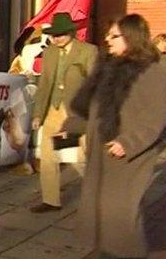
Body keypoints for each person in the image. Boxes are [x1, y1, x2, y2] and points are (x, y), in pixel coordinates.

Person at [61, 14, 166, 258]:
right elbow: (95, 110)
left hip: (129, 155)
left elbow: (156, 117)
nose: (107, 40)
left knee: (122, 210)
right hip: (103, 151)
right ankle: (108, 251)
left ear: (131, 38)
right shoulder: (109, 68)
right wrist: (73, 125)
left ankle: (128, 253)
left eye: (114, 36)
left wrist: (128, 143)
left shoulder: (153, 73)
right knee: (104, 209)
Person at [30, 12, 98, 213]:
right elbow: (44, 85)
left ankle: (98, 194)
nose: (55, 38)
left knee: (80, 156)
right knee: (48, 154)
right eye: (53, 35)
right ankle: (50, 200)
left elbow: (94, 84)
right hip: (54, 109)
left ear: (70, 33)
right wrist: (37, 114)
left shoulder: (88, 51)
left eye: (59, 34)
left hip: (75, 113)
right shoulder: (49, 52)